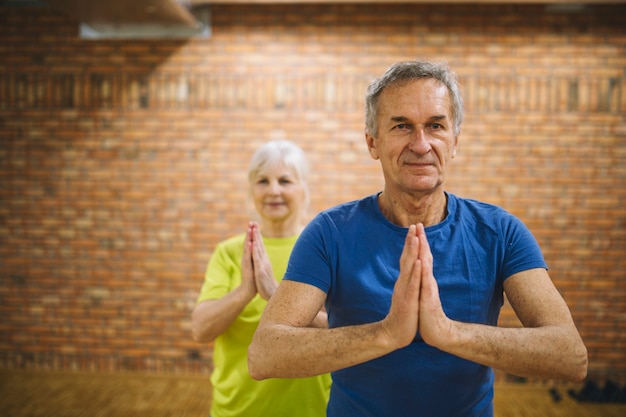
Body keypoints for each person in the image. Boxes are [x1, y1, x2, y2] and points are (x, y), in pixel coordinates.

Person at [248, 60, 588, 417]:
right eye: (401, 126)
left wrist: (448, 332)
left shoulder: (501, 232)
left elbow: (570, 355)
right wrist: (387, 333)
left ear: (454, 140)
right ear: (372, 142)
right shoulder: (330, 233)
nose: (421, 144)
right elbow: (264, 354)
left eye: (435, 126)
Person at [191, 140, 331, 417]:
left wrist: (274, 294)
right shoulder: (230, 253)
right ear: (251, 190)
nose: (274, 190)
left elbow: (345, 330)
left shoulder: (325, 247)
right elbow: (201, 329)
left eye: (285, 180)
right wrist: (245, 291)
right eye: (263, 181)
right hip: (237, 410)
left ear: (303, 188)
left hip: (313, 409)